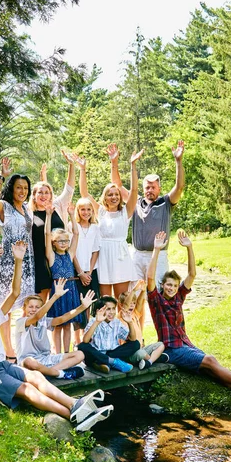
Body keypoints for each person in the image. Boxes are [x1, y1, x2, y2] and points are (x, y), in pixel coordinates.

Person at [0, 237, 113, 432]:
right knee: (27, 389)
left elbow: (15, 293)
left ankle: (74, 403)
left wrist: (18, 261)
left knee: (36, 378)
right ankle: (74, 416)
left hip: (4, 364)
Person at [147, 230, 231, 409]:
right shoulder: (156, 300)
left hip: (185, 344)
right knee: (210, 360)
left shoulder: (179, 297)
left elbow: (192, 274)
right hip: (170, 349)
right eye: (168, 284)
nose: (171, 288)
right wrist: (156, 250)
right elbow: (149, 277)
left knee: (211, 371)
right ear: (163, 285)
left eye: (175, 285)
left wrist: (190, 247)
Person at [108, 140, 185, 287]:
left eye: (153, 187)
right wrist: (114, 162)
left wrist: (178, 161)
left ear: (159, 188)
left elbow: (179, 187)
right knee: (134, 294)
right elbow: (117, 186)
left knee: (157, 292)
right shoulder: (136, 201)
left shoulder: (166, 202)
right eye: (147, 187)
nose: (150, 190)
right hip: (136, 255)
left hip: (158, 256)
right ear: (143, 189)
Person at [77, 150, 143, 298]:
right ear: (105, 197)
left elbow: (134, 190)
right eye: (110, 194)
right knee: (105, 302)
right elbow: (84, 194)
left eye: (116, 194)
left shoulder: (125, 212)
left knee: (122, 301)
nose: (113, 197)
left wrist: (132, 165)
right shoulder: (100, 212)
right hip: (104, 258)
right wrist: (82, 169)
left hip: (121, 258)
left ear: (120, 197)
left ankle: (125, 322)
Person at [0, 157, 35, 361]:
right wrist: (1, 177)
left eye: (25, 188)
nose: (22, 191)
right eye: (18, 187)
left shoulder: (27, 209)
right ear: (11, 189)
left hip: (27, 263)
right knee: (6, 307)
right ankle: (8, 351)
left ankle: (24, 347)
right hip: (8, 262)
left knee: (26, 305)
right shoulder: (4, 207)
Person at [15, 281, 97, 380]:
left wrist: (82, 307)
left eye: (37, 307)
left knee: (80, 354)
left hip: (46, 358)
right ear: (24, 308)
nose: (34, 309)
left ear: (42, 308)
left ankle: (49, 373)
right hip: (28, 361)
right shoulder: (21, 322)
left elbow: (62, 319)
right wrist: (55, 296)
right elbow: (37, 316)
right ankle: (60, 374)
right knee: (30, 362)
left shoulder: (44, 321)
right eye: (30, 307)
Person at [28, 151, 77, 303]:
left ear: (51, 195)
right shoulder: (29, 213)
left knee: (58, 301)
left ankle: (52, 328)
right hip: (39, 261)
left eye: (47, 192)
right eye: (40, 193)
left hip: (59, 259)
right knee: (40, 300)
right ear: (34, 196)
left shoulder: (58, 206)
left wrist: (71, 165)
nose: (44, 196)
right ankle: (34, 326)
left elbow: (69, 189)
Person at [45, 203, 85, 354]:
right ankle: (58, 354)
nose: (64, 243)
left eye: (65, 241)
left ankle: (67, 353)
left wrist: (71, 215)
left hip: (71, 290)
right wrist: (48, 216)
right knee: (58, 324)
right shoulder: (52, 256)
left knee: (68, 324)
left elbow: (76, 234)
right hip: (57, 290)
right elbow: (47, 235)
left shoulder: (70, 254)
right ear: (54, 243)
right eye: (60, 241)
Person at [77, 296, 139, 374]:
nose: (112, 312)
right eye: (108, 309)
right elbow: (85, 340)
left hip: (112, 353)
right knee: (82, 346)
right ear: (99, 310)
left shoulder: (116, 322)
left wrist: (130, 322)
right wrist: (97, 322)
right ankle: (113, 362)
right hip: (96, 353)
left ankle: (102, 363)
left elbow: (132, 339)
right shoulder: (94, 321)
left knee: (136, 344)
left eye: (113, 309)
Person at [117, 280, 166, 369]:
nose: (131, 305)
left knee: (161, 345)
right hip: (129, 354)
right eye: (129, 303)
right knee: (141, 353)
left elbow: (139, 302)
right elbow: (126, 306)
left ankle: (149, 362)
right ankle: (155, 358)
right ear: (121, 305)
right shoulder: (121, 316)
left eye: (133, 303)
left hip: (140, 348)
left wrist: (143, 290)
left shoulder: (134, 314)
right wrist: (134, 290)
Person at [71, 197, 101, 345]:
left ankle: (86, 338)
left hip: (91, 271)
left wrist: (88, 272)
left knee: (89, 304)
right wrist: (80, 272)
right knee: (78, 304)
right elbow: (72, 252)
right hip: (76, 272)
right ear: (78, 210)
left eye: (89, 209)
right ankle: (76, 340)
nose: (86, 212)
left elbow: (96, 251)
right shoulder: (72, 226)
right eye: (83, 209)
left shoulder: (95, 228)